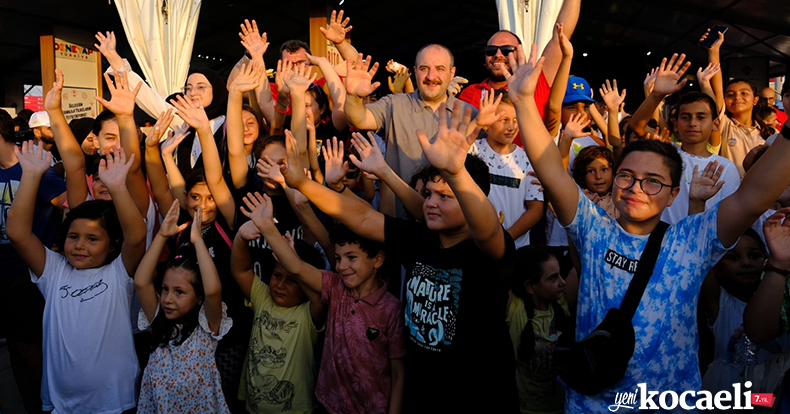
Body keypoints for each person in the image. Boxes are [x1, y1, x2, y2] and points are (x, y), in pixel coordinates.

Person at [507, 44, 790, 413]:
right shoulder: (593, 229)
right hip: (592, 404)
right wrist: (522, 100)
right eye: (626, 176)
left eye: (652, 181)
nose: (636, 188)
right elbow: (549, 167)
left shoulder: (691, 240)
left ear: (674, 194)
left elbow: (752, 196)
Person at [280, 100, 519, 412]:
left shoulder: (487, 249)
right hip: (423, 391)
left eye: (446, 196)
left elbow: (486, 228)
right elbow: (362, 218)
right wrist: (302, 183)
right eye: (429, 194)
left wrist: (458, 172)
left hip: (479, 394)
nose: (432, 203)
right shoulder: (420, 239)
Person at [7, 144, 145, 413]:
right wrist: (32, 176)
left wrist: (117, 186)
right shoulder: (54, 271)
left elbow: (137, 237)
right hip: (61, 403)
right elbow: (18, 234)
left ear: (113, 245)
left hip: (114, 402)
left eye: (93, 239)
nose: (80, 246)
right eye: (74, 237)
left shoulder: (118, 273)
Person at [243, 191, 404, 414]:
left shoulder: (391, 309)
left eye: (351, 258)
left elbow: (398, 374)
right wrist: (267, 227)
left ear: (377, 259)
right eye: (338, 259)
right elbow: (297, 267)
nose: (341, 266)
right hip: (329, 405)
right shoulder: (335, 286)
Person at [134, 201, 233, 413]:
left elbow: (213, 290)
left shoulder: (207, 326)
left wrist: (198, 242)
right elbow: (141, 282)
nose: (168, 299)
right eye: (165, 289)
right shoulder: (158, 319)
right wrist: (161, 236)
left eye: (179, 292)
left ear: (199, 297)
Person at [0, 110, 66, 414]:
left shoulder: (34, 169)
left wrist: (62, 243)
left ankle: (45, 407)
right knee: (14, 347)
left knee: (31, 349)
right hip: (2, 275)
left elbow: (68, 205)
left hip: (30, 276)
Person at [95, 31, 229, 178]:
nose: (193, 92)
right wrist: (113, 57)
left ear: (216, 90)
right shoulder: (184, 122)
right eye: (188, 88)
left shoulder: (227, 123)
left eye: (201, 87)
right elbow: (148, 97)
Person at [231, 215, 327, 414]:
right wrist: (240, 237)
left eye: (292, 280)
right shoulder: (262, 297)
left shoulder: (307, 313)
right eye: (277, 276)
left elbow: (319, 298)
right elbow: (240, 271)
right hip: (252, 407)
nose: (281, 285)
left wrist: (295, 263)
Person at [457, 0, 582, 147]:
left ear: (520, 54)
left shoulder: (536, 80)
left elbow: (559, 36)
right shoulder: (469, 93)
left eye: (507, 50)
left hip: (530, 168)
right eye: (491, 50)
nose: (498, 54)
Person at [631, 62, 741, 224]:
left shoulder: (725, 167)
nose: (693, 123)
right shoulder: (666, 153)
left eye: (701, 117)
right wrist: (656, 94)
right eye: (686, 117)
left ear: (715, 124)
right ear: (676, 124)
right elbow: (637, 126)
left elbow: (730, 218)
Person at [469, 90, 544, 248]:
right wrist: (476, 122)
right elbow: (449, 152)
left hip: (516, 248)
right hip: (477, 245)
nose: (511, 127)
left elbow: (535, 209)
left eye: (516, 120)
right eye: (504, 120)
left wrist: (506, 238)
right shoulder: (472, 151)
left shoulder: (528, 159)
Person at [508, 246, 576, 414]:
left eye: (560, 274)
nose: (563, 282)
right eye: (553, 278)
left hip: (562, 407)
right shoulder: (515, 308)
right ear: (530, 286)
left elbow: (581, 264)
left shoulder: (563, 302)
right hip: (526, 410)